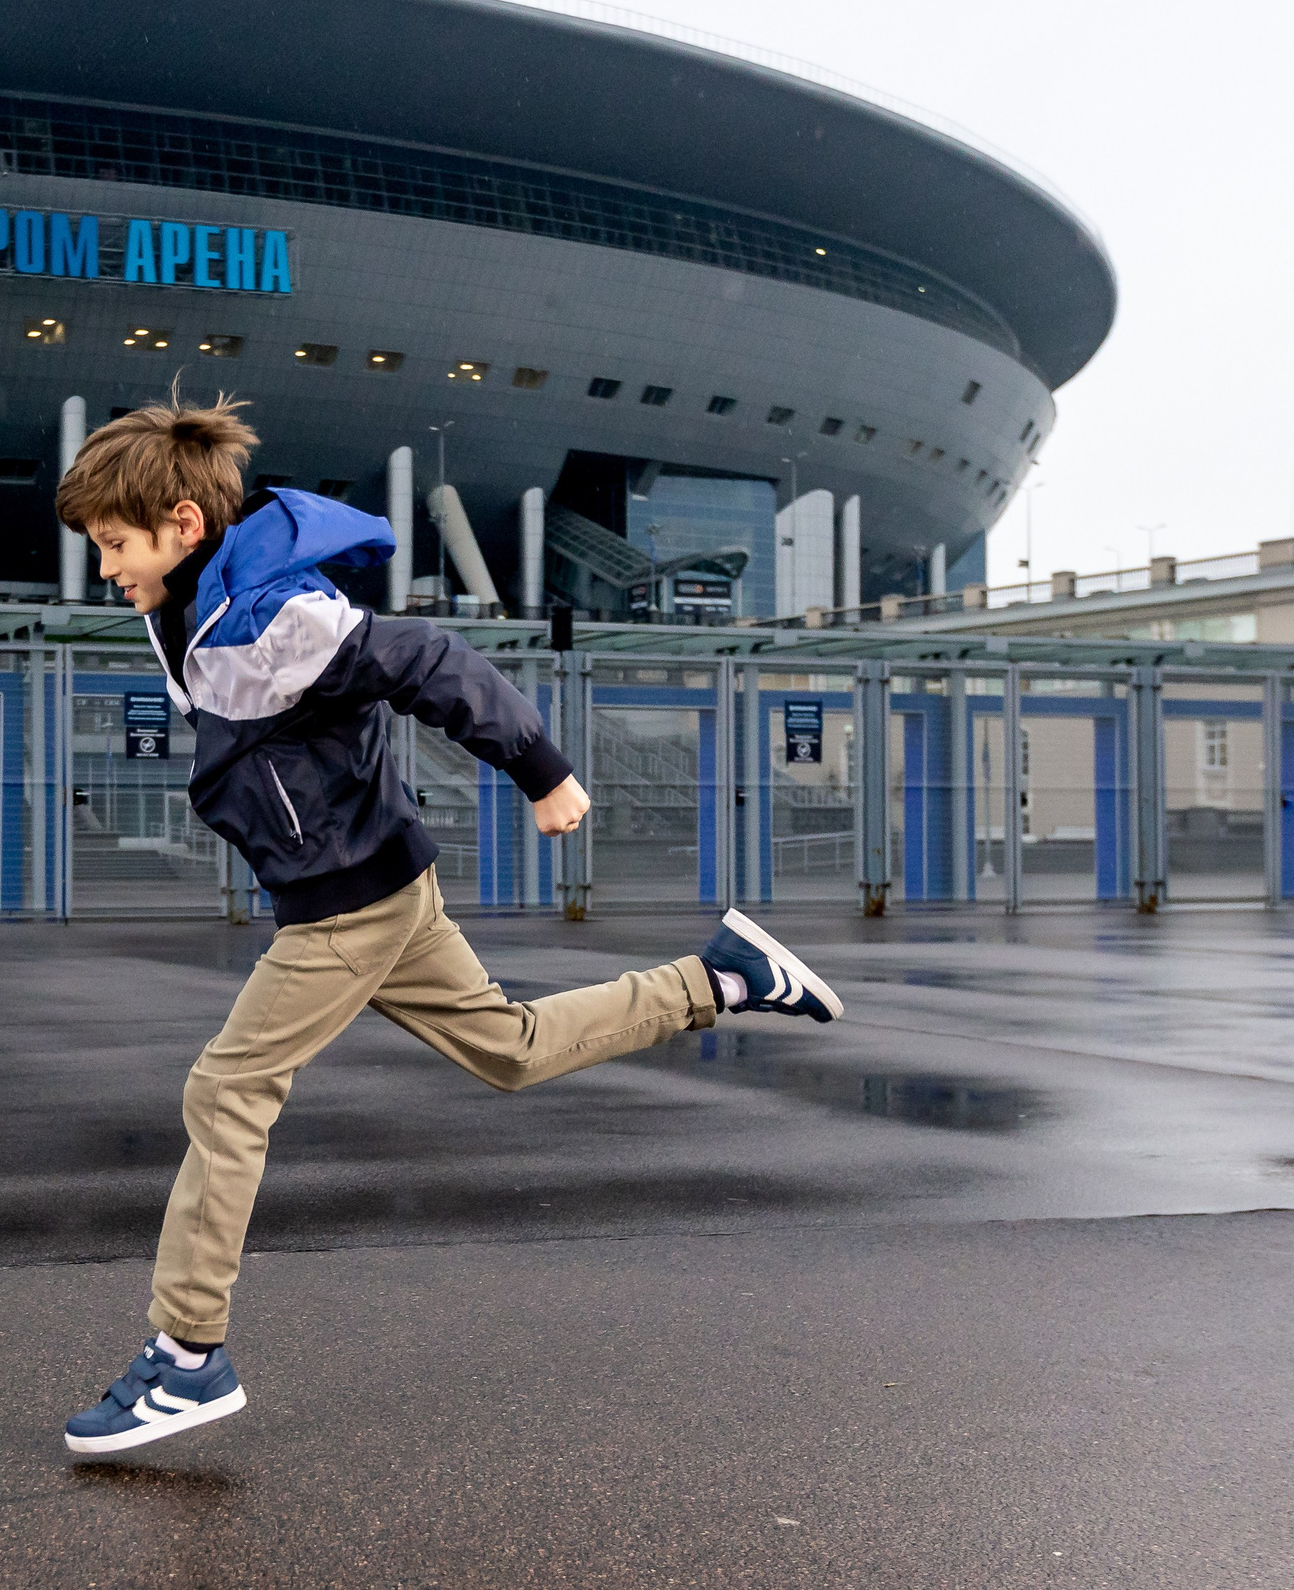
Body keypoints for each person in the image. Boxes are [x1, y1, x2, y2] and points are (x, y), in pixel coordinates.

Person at [52, 396, 843, 1455]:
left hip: (350, 903)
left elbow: (429, 662)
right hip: (379, 879)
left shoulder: (275, 617)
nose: (105, 569)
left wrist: (541, 770)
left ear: (185, 526)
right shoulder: (192, 603)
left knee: (229, 1087)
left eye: (114, 546)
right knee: (507, 1050)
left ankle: (189, 1356)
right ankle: (726, 979)